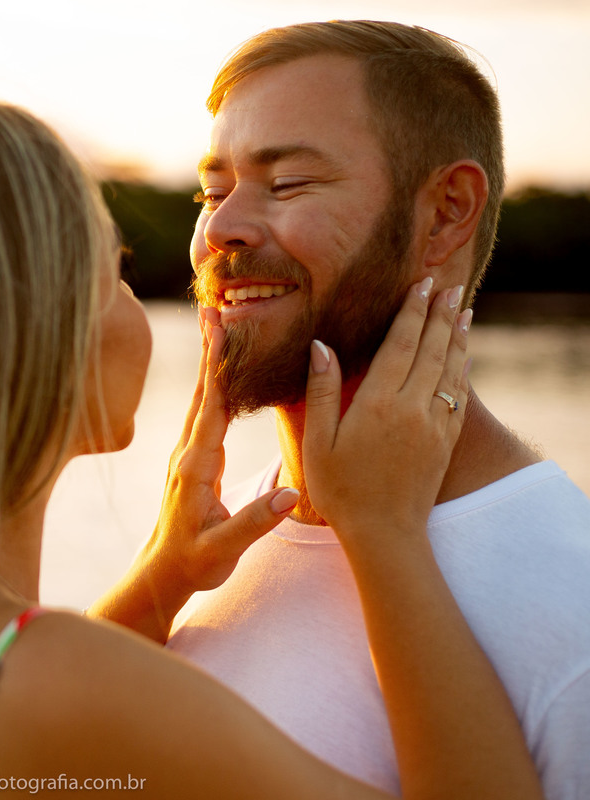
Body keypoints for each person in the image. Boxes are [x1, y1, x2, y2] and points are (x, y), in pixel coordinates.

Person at [0, 95, 542, 800]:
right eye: (114, 272)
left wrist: (159, 585)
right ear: (37, 340)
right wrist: (387, 533)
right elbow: (23, 700)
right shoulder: (55, 679)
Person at [95, 20, 590, 800]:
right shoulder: (205, 547)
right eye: (211, 193)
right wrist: (159, 584)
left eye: (287, 183)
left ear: (447, 212)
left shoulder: (571, 604)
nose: (219, 229)